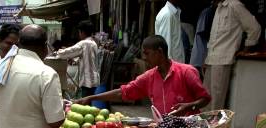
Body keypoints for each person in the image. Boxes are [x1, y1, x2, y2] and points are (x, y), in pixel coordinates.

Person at [76, 35, 211, 116]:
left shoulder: (187, 72)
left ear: (159, 52)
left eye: (147, 53)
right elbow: (123, 92)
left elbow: (205, 98)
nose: (144, 58)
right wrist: (91, 98)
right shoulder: (149, 77)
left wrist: (189, 106)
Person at [203, 0, 261, 110]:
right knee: (206, 99)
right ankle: (206, 127)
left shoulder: (235, 6)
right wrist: (207, 58)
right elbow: (214, 38)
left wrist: (246, 49)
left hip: (223, 60)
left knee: (216, 102)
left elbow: (254, 27)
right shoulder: (219, 8)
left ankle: (216, 127)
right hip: (212, 59)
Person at [56, 20, 100, 97]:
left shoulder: (84, 43)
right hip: (94, 80)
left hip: (87, 81)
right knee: (89, 102)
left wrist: (58, 52)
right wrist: (75, 60)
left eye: (79, 32)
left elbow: (70, 51)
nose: (79, 34)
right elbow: (87, 57)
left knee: (86, 103)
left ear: (82, 32)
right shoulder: (93, 43)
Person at [190, 0, 218, 81]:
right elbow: (203, 32)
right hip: (202, 51)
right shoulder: (208, 12)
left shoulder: (212, 12)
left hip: (204, 52)